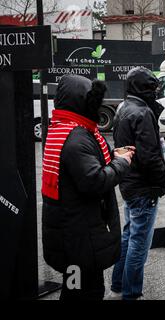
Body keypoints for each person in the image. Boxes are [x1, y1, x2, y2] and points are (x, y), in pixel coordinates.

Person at [41, 75, 135, 300]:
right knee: (87, 291)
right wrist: (122, 163)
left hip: (70, 231)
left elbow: (80, 168)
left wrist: (113, 156)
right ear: (80, 101)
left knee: (74, 287)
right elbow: (95, 181)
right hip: (79, 236)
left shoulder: (63, 129)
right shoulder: (77, 137)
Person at [109, 67, 165, 300]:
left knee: (129, 235)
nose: (155, 92)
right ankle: (132, 294)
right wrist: (162, 182)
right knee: (139, 243)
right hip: (143, 186)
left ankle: (117, 286)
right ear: (145, 88)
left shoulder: (124, 107)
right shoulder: (142, 112)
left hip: (129, 182)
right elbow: (150, 155)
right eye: (152, 88)